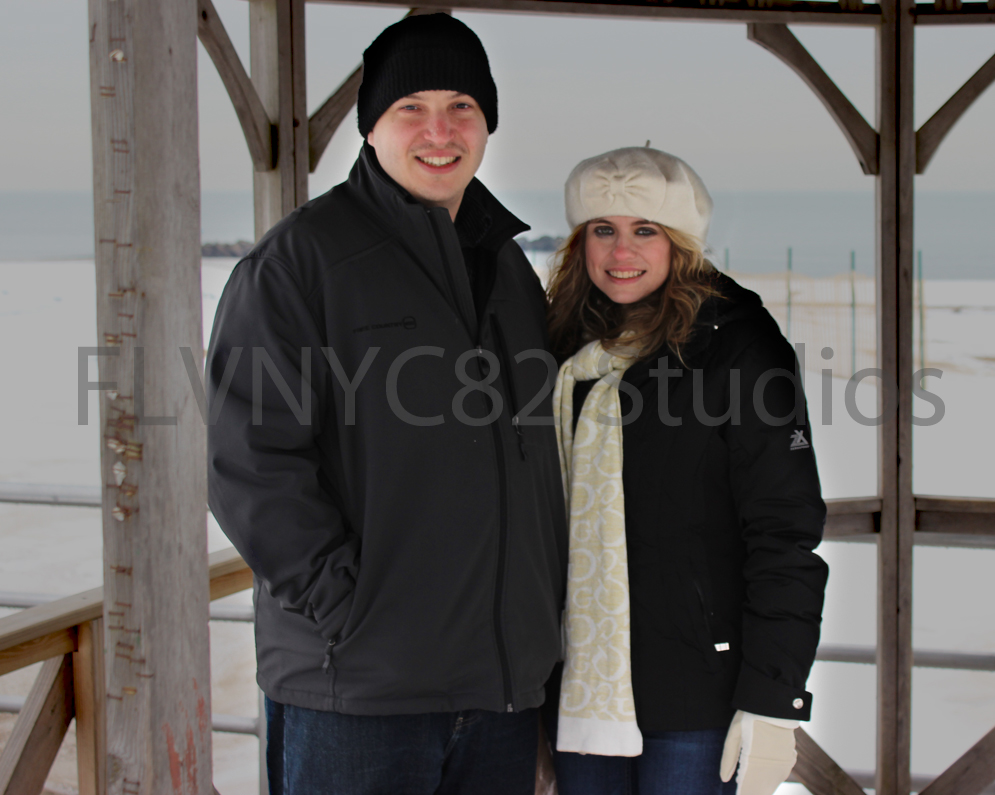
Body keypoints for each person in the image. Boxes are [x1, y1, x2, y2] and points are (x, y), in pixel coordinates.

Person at [205, 13, 567, 794]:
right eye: (411, 108)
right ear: (371, 127)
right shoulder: (300, 263)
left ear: (486, 124)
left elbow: (533, 455)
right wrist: (354, 613)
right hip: (361, 693)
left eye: (462, 107)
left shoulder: (507, 269)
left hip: (499, 689)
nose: (439, 130)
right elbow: (251, 463)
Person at [543, 147, 828, 795]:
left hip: (697, 695)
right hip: (579, 689)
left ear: (680, 242)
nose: (621, 251)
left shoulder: (737, 345)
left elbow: (784, 532)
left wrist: (770, 697)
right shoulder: (561, 350)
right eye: (602, 229)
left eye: (644, 230)